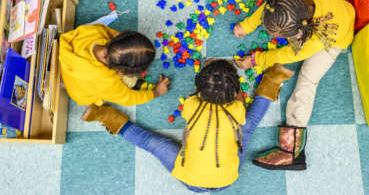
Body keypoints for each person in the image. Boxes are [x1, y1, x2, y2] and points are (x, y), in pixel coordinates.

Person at [222, 0, 356, 171]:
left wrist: (254, 60)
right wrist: (247, 25)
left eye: (279, 35)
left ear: (295, 34)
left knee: (307, 82)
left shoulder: (311, 42)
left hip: (336, 39)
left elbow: (282, 55)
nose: (275, 38)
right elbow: (268, 9)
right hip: (317, 9)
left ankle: (292, 152)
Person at [81, 59, 294, 192]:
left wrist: (208, 71)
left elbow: (201, 95)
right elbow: (240, 106)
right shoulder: (237, 111)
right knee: (249, 125)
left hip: (194, 177)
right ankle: (270, 83)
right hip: (223, 180)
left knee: (153, 143)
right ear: (237, 92)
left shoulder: (191, 105)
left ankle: (108, 116)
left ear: (198, 88)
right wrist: (236, 94)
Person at [59, 24, 170, 107]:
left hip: (70, 63)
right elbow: (128, 98)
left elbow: (111, 33)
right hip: (81, 92)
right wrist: (156, 92)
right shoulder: (108, 83)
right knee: (125, 84)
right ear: (122, 69)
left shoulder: (96, 31)